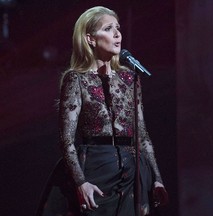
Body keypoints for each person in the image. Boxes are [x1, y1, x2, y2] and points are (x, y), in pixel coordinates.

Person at [36, 6, 168, 216]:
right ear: (90, 39)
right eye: (108, 28)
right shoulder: (76, 79)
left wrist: (157, 178)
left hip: (133, 170)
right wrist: (81, 182)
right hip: (97, 167)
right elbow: (66, 140)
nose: (117, 34)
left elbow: (142, 135)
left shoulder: (129, 79)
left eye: (118, 28)